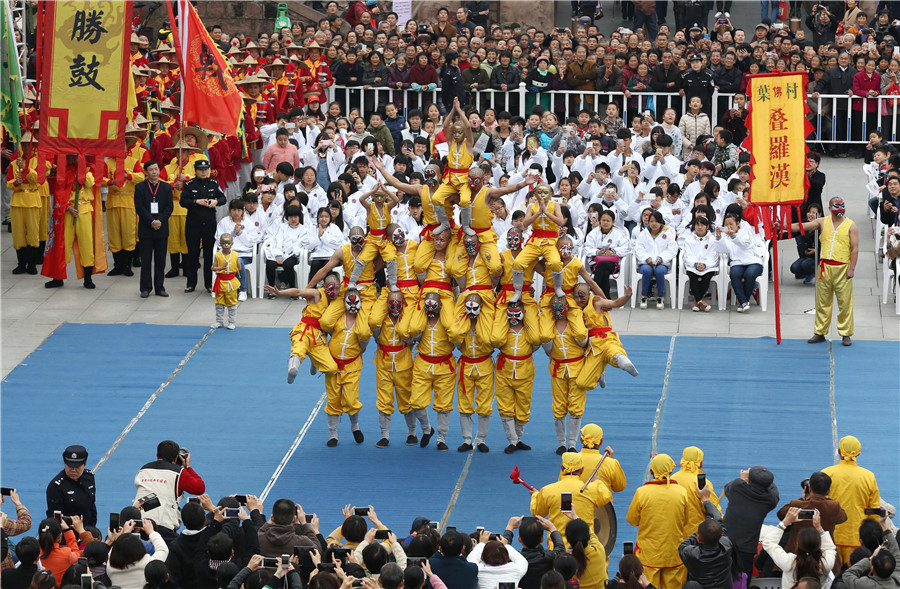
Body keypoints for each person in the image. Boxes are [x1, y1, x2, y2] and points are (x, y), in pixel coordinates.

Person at [783, 197, 858, 346]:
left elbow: (854, 248)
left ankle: (845, 333)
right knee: (822, 302)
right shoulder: (823, 221)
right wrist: (783, 226)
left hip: (842, 267)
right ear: (830, 208)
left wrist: (852, 269)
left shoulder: (851, 225)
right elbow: (802, 226)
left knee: (844, 303)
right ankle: (820, 332)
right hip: (825, 267)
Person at [626, 454, 692, 589]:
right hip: (673, 554)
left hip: (649, 555)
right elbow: (685, 520)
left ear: (651, 471)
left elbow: (632, 520)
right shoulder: (681, 492)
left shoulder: (642, 492)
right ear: (671, 470)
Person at [320, 288, 372, 447]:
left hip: (352, 366)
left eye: (356, 302)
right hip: (334, 366)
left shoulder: (362, 322)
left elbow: (364, 342)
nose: (353, 305)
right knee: (333, 399)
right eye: (349, 302)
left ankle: (355, 426)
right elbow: (327, 327)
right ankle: (333, 434)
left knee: (351, 399)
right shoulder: (338, 318)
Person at [530, 452, 613, 547]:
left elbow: (537, 512)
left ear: (562, 468)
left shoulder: (547, 490)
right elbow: (606, 497)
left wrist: (535, 495)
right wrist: (597, 482)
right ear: (582, 470)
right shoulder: (591, 489)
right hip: (584, 548)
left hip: (557, 548)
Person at [822, 436, 882, 566]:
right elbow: (874, 511)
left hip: (830, 538)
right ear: (859, 453)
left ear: (839, 451)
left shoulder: (826, 473)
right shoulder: (868, 476)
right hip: (857, 539)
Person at [133, 440, 206, 542]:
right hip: (163, 528)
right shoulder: (179, 473)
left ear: (157, 454)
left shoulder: (143, 470)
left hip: (138, 525)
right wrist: (187, 467)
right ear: (176, 458)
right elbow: (200, 488)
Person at [369, 290, 415, 448]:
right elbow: (373, 329)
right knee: (383, 400)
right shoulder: (381, 320)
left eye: (398, 302)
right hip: (384, 364)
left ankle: (412, 432)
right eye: (391, 303)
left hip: (404, 364)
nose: (395, 306)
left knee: (407, 399)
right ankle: (384, 435)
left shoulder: (407, 319)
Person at [722, 466, 780, 577]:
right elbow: (774, 493)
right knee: (743, 580)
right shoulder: (769, 501)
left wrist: (744, 479)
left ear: (750, 480)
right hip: (747, 549)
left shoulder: (736, 487)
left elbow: (727, 488)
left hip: (725, 544)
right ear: (768, 485)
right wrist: (765, 481)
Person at [760, 508, 837, 589]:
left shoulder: (789, 562)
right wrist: (819, 528)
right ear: (820, 544)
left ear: (797, 544)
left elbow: (768, 543)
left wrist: (785, 522)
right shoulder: (825, 564)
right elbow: (830, 548)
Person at [181, 159, 226, 293]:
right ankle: (191, 283)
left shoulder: (213, 183)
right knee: (192, 254)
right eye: (200, 170)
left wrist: (215, 201)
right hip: (193, 223)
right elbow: (183, 201)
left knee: (209, 255)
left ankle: (209, 283)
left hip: (209, 223)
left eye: (206, 169)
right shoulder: (189, 184)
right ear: (195, 171)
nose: (203, 172)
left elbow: (223, 198)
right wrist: (196, 201)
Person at [678, 483, 734, 589]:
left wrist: (700, 531)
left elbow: (683, 545)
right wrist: (706, 499)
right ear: (721, 535)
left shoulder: (691, 553)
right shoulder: (726, 545)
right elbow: (718, 520)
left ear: (698, 538)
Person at [134, 160, 173, 297]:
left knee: (160, 260)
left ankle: (159, 287)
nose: (154, 172)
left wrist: (160, 220)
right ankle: (145, 288)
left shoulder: (166, 187)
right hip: (146, 228)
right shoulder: (140, 187)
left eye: (156, 169)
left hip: (161, 228)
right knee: (146, 260)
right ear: (146, 172)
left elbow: (169, 207)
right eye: (151, 170)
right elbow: (139, 207)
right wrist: (151, 220)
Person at [502, 516, 566, 589]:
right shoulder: (549, 557)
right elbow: (561, 549)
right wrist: (552, 529)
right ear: (542, 539)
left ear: (519, 539)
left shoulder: (514, 560)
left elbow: (502, 550)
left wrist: (509, 528)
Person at [671, 447, 723, 536]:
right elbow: (712, 508)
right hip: (697, 534)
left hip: (676, 532)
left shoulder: (673, 479)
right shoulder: (704, 483)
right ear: (701, 462)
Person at [107, 519, 170, 589]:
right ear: (140, 549)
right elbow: (163, 550)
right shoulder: (147, 563)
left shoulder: (110, 566)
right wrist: (151, 532)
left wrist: (126, 533)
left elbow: (117, 548)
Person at [842, 515, 900, 588]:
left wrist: (870, 558)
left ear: (872, 568)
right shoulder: (897, 579)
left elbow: (847, 575)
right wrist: (884, 525)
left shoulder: (867, 585)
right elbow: (896, 554)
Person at [46, 445, 97, 527]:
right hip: (68, 532)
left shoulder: (89, 478)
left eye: (77, 467)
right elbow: (56, 519)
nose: (73, 470)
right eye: (70, 466)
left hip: (87, 529)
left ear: (84, 464)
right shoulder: (56, 486)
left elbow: (92, 506)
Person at [257, 499, 322, 556]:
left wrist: (269, 522)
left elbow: (258, 534)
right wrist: (304, 523)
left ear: (272, 518)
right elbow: (318, 551)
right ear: (294, 519)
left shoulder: (260, 538)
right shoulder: (301, 541)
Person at [211, 233, 241, 330]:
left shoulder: (235, 255)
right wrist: (221, 268)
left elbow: (238, 266)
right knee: (219, 303)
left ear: (232, 243)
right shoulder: (218, 255)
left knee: (232, 303)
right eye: (224, 243)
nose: (226, 245)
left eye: (228, 243)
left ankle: (232, 322)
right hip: (220, 282)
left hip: (231, 282)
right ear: (220, 243)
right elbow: (213, 267)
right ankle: (219, 321)